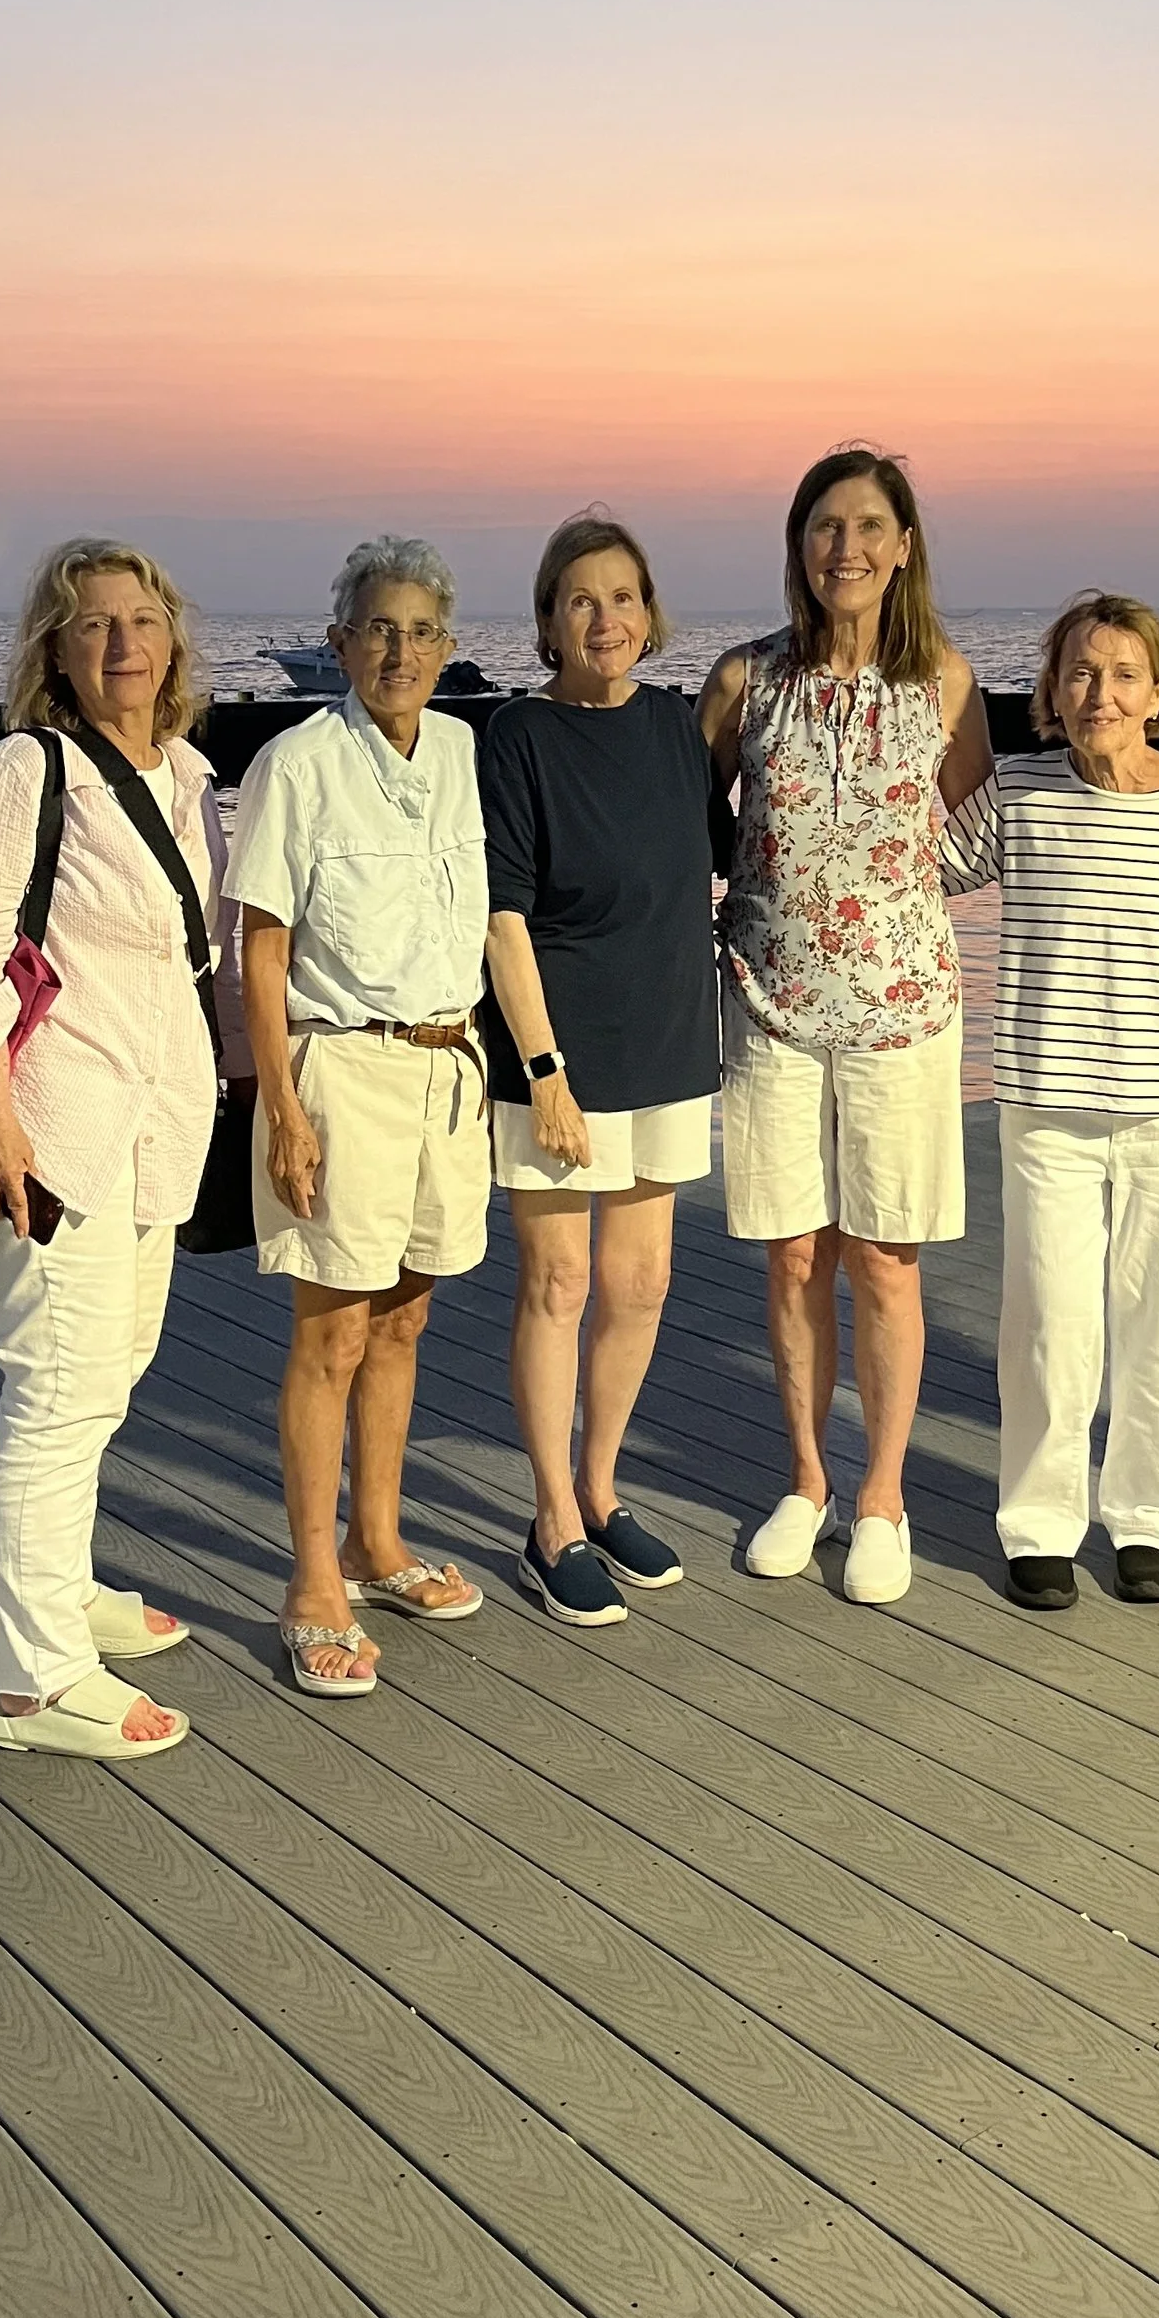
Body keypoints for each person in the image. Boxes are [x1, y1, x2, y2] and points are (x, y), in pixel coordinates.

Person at [0, 538, 249, 1757]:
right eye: (93, 623)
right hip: (54, 1125)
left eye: (141, 619)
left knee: (110, 1373)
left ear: (172, 641)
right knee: (57, 1388)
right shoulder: (26, 767)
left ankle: (60, 1596)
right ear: (55, 651)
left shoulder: (185, 776)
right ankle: (32, 1681)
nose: (122, 642)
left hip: (155, 1126)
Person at [697, 447, 993, 1605]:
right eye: (825, 527)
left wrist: (889, 882)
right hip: (769, 1008)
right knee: (792, 1256)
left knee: (884, 1259)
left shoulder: (945, 685)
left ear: (905, 544)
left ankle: (883, 1498)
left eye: (869, 525)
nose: (847, 548)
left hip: (902, 1015)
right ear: (798, 546)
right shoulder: (743, 681)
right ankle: (808, 1481)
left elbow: (975, 839)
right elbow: (687, 824)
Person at [941, 595, 1159, 1609]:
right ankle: (1039, 1522)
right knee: (1049, 1322)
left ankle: (1151, 1519)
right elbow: (918, 874)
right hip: (1045, 1104)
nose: (1100, 694)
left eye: (1124, 674)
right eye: (1080, 672)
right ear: (1050, 689)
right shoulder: (1017, 795)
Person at [230, 535, 491, 1698]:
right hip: (338, 1067)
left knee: (405, 1317)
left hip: (448, 1065)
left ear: (446, 648)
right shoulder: (295, 763)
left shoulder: (464, 753)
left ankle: (378, 1545)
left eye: (419, 630)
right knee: (329, 1334)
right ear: (340, 643)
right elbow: (262, 942)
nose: (399, 650)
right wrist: (278, 1103)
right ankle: (312, 1584)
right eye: (377, 629)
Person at [481, 514, 727, 1625]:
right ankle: (548, 1521)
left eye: (622, 596)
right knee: (559, 1283)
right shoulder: (516, 738)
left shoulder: (677, 728)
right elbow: (503, 918)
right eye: (580, 599)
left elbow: (718, 867)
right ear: (546, 621)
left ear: (649, 614)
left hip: (670, 1042)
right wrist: (542, 1069)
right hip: (559, 1057)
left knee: (639, 1285)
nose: (605, 619)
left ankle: (602, 1486)